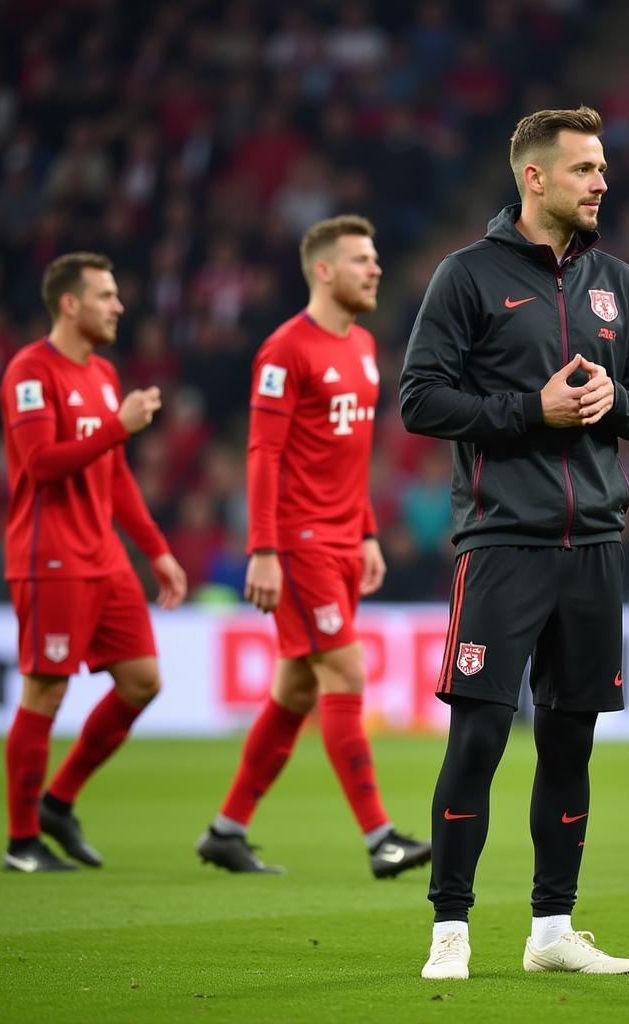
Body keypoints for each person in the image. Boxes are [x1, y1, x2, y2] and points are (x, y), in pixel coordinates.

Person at [400, 107, 629, 980]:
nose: (602, 183)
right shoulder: (467, 277)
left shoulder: (616, 283)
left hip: (593, 542)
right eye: (586, 169)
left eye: (602, 168)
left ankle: (552, 931)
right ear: (536, 178)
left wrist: (612, 407)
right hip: (503, 542)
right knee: (478, 737)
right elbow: (421, 400)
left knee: (570, 742)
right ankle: (451, 928)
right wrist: (532, 409)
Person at [195, 215, 430, 879]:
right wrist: (263, 549)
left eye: (376, 258)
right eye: (361, 259)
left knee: (296, 688)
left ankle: (226, 829)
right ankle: (381, 837)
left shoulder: (360, 347)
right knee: (346, 674)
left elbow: (349, 459)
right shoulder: (284, 351)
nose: (375, 268)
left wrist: (368, 532)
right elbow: (263, 453)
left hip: (341, 539)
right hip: (297, 544)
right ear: (323, 270)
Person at [0, 252, 187, 872]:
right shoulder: (30, 372)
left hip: (105, 559)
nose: (118, 306)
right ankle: (22, 842)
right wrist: (117, 426)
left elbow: (114, 478)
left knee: (142, 681)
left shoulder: (104, 374)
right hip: (49, 556)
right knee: (45, 690)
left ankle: (59, 799)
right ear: (70, 304)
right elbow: (39, 465)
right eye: (106, 296)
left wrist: (156, 550)